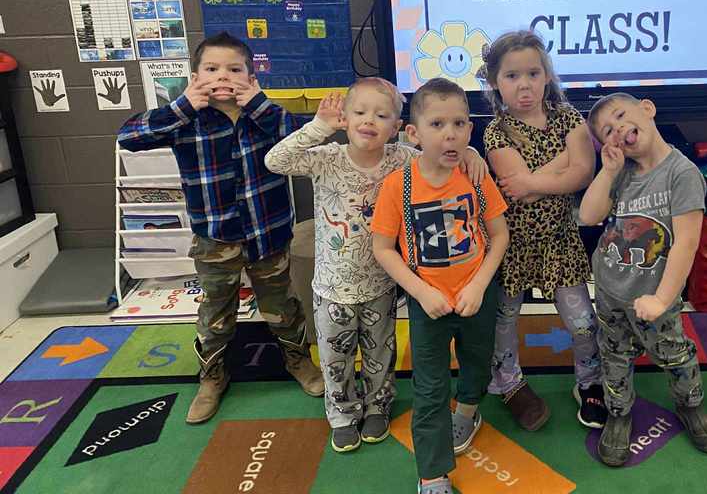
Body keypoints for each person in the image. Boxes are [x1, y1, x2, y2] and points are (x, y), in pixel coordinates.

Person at [264, 78, 486, 453]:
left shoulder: (401, 158)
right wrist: (319, 126)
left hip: (381, 283)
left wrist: (472, 155)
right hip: (332, 286)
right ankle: (342, 413)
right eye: (360, 112)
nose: (369, 121)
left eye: (381, 116)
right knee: (335, 356)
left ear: (397, 127)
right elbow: (275, 161)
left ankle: (378, 405)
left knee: (380, 352)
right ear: (346, 118)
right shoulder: (327, 158)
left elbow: (442, 151)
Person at [117, 31, 323, 424]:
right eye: (211, 69)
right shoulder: (185, 119)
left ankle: (298, 361)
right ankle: (212, 375)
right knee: (216, 311)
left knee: (283, 306)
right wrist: (181, 106)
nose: (223, 76)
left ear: (252, 77)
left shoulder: (264, 116)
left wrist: (260, 105)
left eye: (234, 69)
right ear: (195, 78)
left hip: (268, 234)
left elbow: (305, 140)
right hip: (215, 238)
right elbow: (129, 136)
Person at [371, 78, 509, 494]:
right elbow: (383, 249)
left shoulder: (476, 177)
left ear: (470, 129)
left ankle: (467, 411)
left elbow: (499, 235)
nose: (450, 134)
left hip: (477, 297)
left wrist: (479, 285)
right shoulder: (397, 186)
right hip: (427, 303)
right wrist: (421, 291)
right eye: (437, 124)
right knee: (430, 389)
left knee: (477, 363)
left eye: (459, 123)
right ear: (414, 133)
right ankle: (431, 474)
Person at [580, 93, 707, 467]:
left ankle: (689, 404)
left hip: (655, 296)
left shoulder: (682, 173)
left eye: (621, 116)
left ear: (647, 109)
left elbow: (686, 243)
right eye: (607, 131)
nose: (618, 129)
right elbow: (589, 216)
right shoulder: (619, 172)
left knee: (674, 353)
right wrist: (607, 172)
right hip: (611, 291)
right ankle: (619, 413)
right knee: (614, 355)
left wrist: (661, 299)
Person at [479, 31, 604, 431]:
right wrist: (565, 162)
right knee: (504, 321)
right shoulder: (496, 131)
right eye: (512, 76)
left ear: (546, 75)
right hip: (510, 243)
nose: (525, 85)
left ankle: (589, 381)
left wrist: (534, 180)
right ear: (495, 82)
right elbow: (515, 188)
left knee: (582, 321)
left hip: (560, 241)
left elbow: (582, 174)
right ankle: (508, 382)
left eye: (533, 73)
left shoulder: (568, 117)